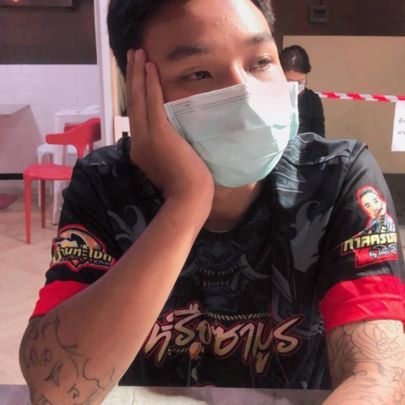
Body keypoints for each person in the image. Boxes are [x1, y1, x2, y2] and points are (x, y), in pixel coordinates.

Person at [19, 1, 405, 404]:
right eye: (198, 73)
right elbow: (56, 391)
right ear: (137, 90)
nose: (245, 95)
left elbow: (378, 376)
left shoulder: (338, 178)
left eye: (260, 62)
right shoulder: (104, 184)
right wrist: (186, 202)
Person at [280, 45, 326, 137]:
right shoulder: (269, 97)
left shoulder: (312, 100)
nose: (295, 86)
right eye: (290, 81)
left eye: (300, 82)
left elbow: (319, 137)